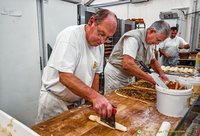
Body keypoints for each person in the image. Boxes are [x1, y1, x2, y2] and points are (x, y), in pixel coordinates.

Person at [36, 9, 118, 122]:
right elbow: (65, 76)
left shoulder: (100, 45)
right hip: (55, 102)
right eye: (101, 34)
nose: (103, 40)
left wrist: (94, 102)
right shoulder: (71, 36)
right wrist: (95, 97)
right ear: (91, 22)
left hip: (76, 102)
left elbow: (96, 75)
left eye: (107, 38)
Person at [104, 20, 170, 94]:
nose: (157, 44)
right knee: (115, 100)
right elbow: (127, 64)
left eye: (160, 42)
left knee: (128, 99)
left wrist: (162, 74)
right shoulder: (133, 38)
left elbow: (153, 61)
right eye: (158, 40)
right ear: (151, 31)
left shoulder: (149, 43)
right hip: (116, 75)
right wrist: (151, 79)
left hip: (129, 75)